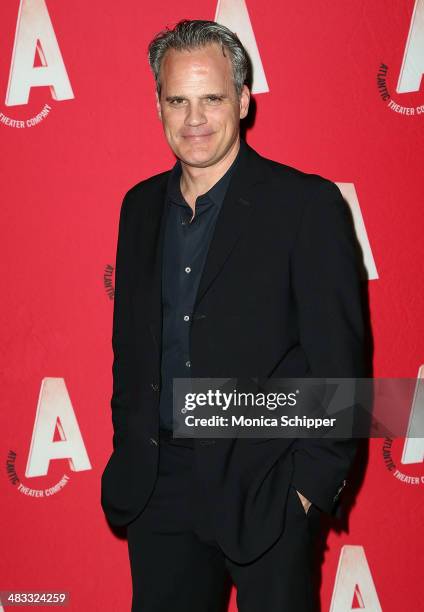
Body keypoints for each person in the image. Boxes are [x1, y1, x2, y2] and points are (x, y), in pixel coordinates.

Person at [101, 19, 365, 612]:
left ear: (243, 100)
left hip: (266, 484)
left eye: (212, 98)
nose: (194, 119)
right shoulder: (139, 208)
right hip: (158, 488)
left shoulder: (305, 206)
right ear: (159, 105)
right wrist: (131, 449)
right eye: (178, 100)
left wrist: (306, 491)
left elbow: (340, 364)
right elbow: (131, 349)